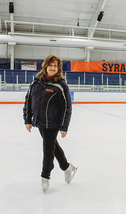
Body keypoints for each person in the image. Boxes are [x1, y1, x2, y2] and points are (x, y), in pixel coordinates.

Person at [23, 55, 77, 192]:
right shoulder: (36, 82)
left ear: (58, 68)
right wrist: (28, 120)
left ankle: (45, 176)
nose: (53, 68)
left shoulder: (61, 84)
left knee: (48, 150)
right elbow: (28, 101)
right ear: (45, 66)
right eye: (50, 65)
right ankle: (67, 167)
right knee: (53, 145)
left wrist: (64, 126)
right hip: (40, 121)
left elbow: (67, 107)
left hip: (52, 122)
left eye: (55, 66)